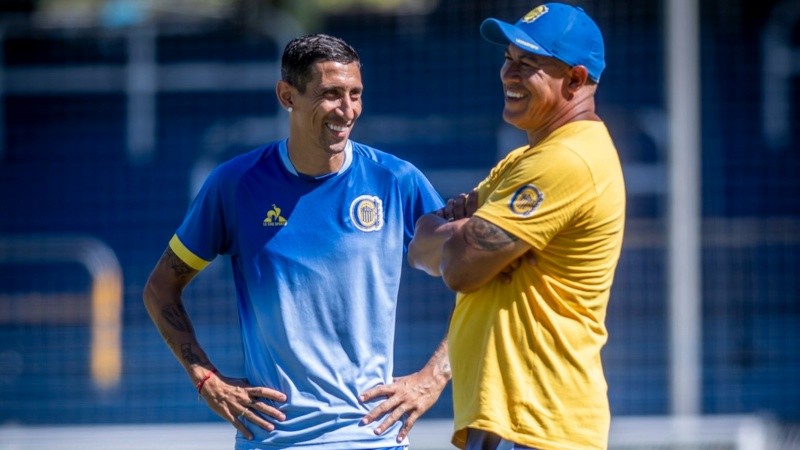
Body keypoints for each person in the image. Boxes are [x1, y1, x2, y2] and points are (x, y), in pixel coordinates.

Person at [142, 33, 450, 449]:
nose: (347, 110)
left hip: (373, 436)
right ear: (287, 96)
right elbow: (161, 288)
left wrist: (433, 378)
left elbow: (482, 279)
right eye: (331, 94)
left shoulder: (395, 181)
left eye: (355, 94)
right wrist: (206, 378)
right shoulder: (235, 185)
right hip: (273, 438)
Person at [408, 3, 625, 449]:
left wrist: (464, 237)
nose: (509, 73)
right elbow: (420, 248)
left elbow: (460, 268)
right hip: (514, 421)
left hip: (540, 422)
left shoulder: (567, 158)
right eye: (508, 58)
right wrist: (465, 234)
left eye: (528, 64)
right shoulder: (523, 161)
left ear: (576, 80)